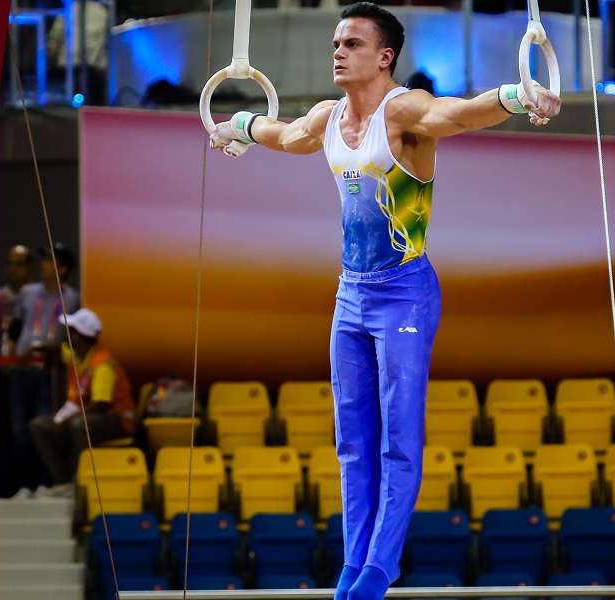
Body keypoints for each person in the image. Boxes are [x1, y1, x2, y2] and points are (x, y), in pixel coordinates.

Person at [209, 5, 559, 600]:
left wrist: (518, 96)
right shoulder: (327, 117)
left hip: (404, 295)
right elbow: (284, 134)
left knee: (398, 436)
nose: (338, 52)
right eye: (336, 42)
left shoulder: (405, 110)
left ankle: (381, 565)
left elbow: (459, 114)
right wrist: (236, 125)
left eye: (351, 43)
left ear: (384, 56)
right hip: (351, 296)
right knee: (352, 441)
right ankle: (354, 559)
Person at [28, 308, 136, 497]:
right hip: (87, 412)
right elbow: (58, 349)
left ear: (79, 337)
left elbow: (101, 404)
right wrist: (35, 349)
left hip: (116, 419)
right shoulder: (77, 355)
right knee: (39, 426)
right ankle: (63, 482)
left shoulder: (102, 364)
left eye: (71, 331)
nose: (67, 335)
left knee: (79, 426)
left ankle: (81, 482)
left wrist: (66, 422)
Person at [6, 242, 80, 499]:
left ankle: (43, 483)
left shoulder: (72, 298)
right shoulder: (28, 292)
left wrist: (45, 348)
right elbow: (15, 327)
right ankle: (24, 485)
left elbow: (72, 338)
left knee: (42, 427)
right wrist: (11, 355)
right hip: (22, 370)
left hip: (49, 373)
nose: (43, 266)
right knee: (19, 430)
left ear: (63, 268)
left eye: (49, 261)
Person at [0, 245, 33, 497]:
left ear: (28, 268)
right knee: (1, 429)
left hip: (27, 369)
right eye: (8, 263)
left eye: (18, 264)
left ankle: (27, 484)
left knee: (25, 430)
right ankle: (2, 486)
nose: (12, 269)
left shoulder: (34, 296)